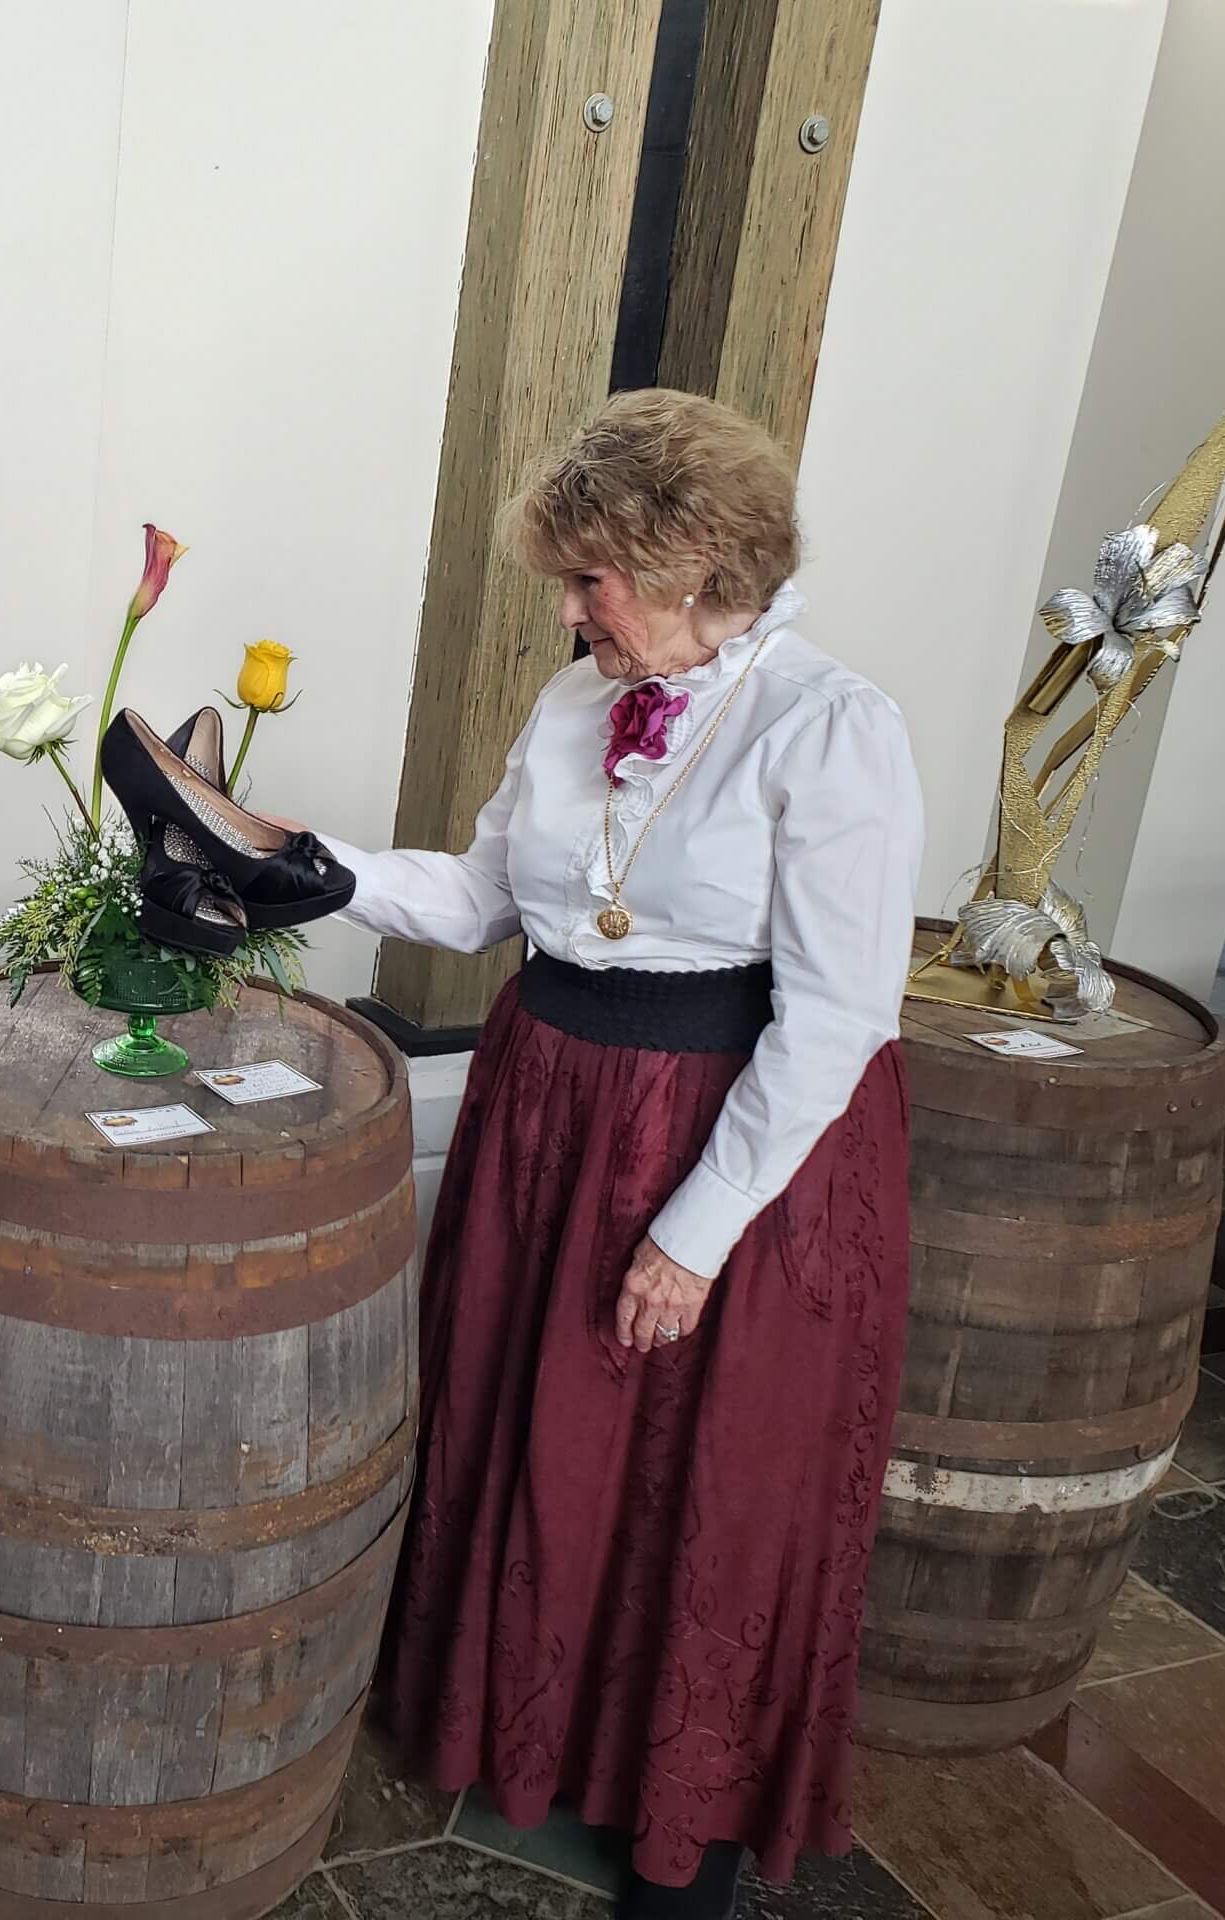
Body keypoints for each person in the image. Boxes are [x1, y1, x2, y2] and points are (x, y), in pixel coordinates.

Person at [319, 390, 923, 1918]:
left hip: (736, 1135)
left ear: (699, 560)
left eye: (593, 577)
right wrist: (304, 869)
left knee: (706, 1476)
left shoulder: (832, 725)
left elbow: (842, 1014)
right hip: (552, 1113)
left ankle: (687, 1825)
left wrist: (694, 1230)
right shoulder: (574, 705)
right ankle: (525, 1735)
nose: (571, 607)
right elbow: (476, 899)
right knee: (544, 1437)